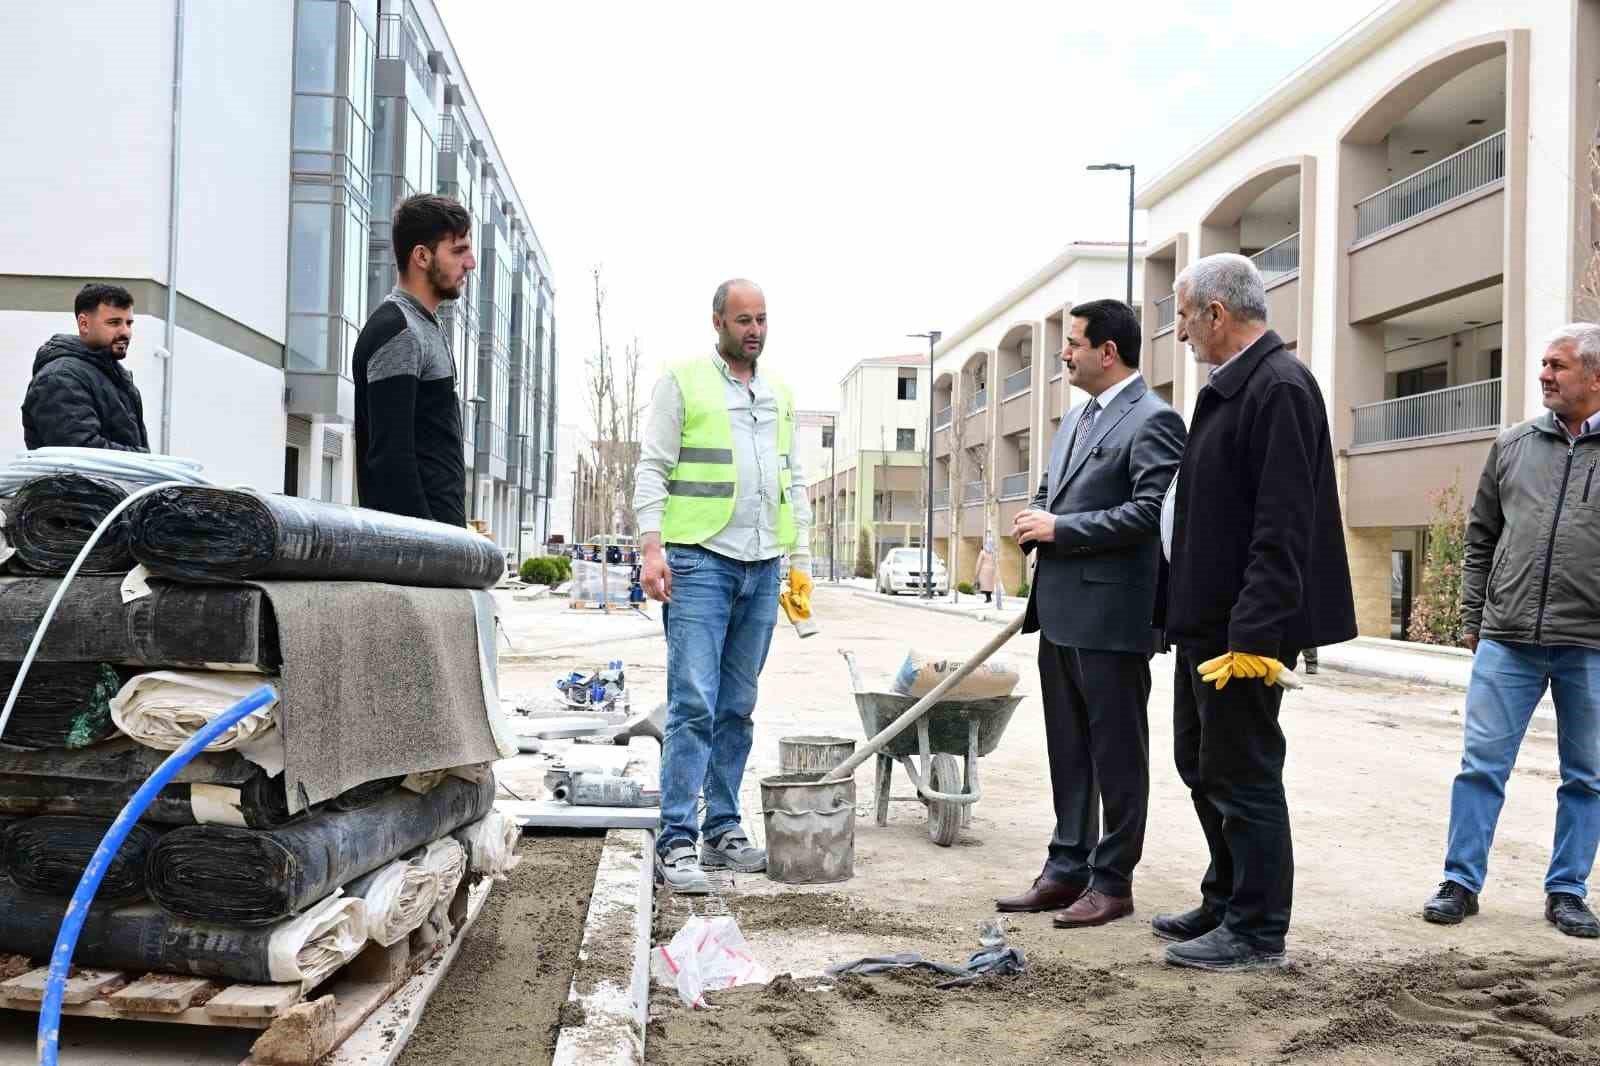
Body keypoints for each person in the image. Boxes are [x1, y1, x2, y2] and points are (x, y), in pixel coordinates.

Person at [1157, 253, 1355, 971]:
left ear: (1215, 313)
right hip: (1204, 626)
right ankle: (1226, 897)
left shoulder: (1279, 388)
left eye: (1182, 314)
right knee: (1200, 762)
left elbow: (1282, 526)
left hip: (1243, 634)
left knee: (1244, 770)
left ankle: (1257, 929)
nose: (1178, 331)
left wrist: (1256, 639)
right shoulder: (1230, 389)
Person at [999, 298, 1186, 927]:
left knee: (1117, 755)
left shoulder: (1155, 420)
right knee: (1069, 750)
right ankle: (1064, 868)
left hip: (1114, 618)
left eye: (1074, 343)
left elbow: (1147, 513)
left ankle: (1113, 880)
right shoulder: (1074, 418)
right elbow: (1053, 493)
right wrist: (1035, 522)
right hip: (1059, 613)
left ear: (1110, 350)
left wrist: (1060, 528)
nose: (1064, 353)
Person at [635, 279, 813, 894]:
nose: (755, 329)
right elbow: (653, 467)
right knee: (694, 705)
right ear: (717, 321)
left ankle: (724, 830)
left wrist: (800, 561)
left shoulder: (779, 394)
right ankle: (678, 838)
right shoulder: (682, 381)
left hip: (763, 567)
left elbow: (794, 479)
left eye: (762, 318)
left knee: (738, 707)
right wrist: (651, 548)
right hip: (700, 563)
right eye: (743, 319)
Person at [1422, 324, 1600, 938]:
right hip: (1508, 638)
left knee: (1588, 777)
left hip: (1591, 646)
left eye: (1558, 365)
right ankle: (1460, 882)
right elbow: (1480, 539)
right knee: (1480, 767)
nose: (1545, 375)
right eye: (1544, 364)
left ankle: (1567, 890)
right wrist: (1475, 620)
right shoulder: (1514, 445)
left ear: (1596, 377)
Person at [354, 194, 475, 526]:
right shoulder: (399, 331)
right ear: (422, 256)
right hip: (422, 557)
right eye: (459, 251)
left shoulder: (422, 325)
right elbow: (391, 463)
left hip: (437, 548)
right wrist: (433, 551)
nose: (471, 263)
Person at [22, 283, 149, 452]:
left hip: (117, 479)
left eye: (129, 323)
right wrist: (145, 460)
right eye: (114, 322)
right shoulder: (60, 378)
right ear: (84, 324)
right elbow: (82, 453)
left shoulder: (116, 376)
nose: (125, 332)